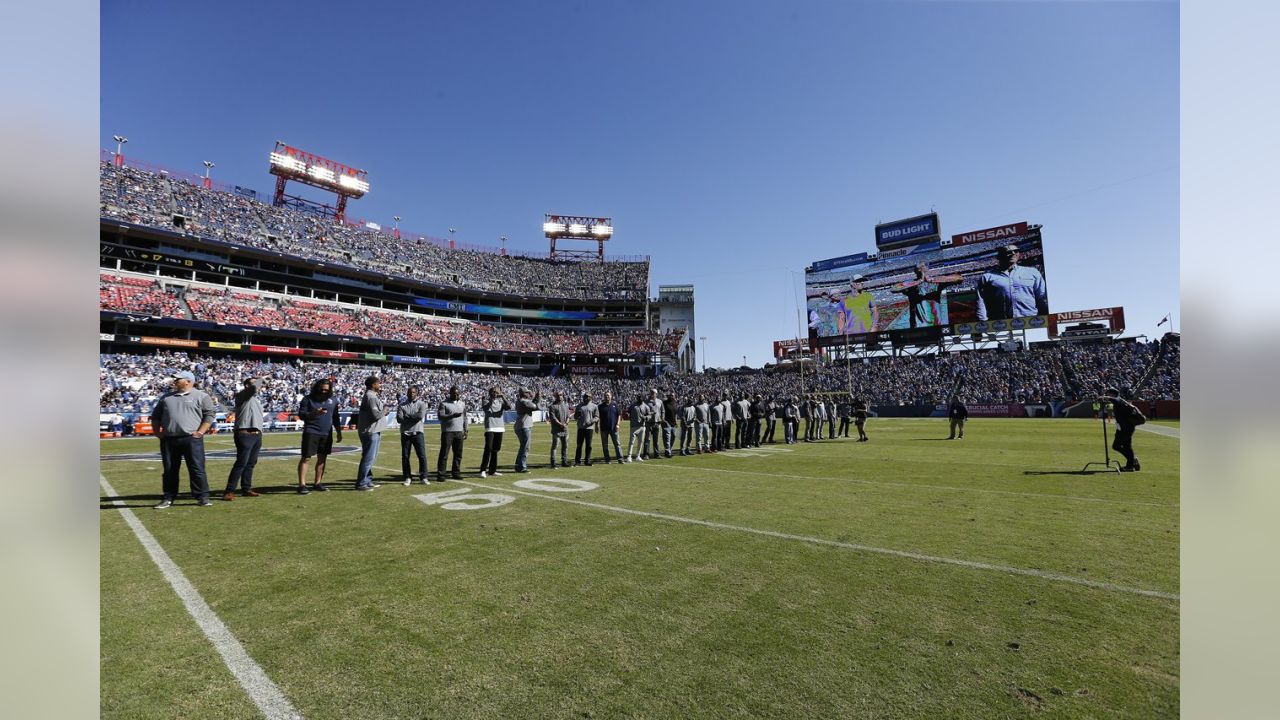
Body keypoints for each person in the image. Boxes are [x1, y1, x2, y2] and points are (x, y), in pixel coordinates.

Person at [151, 370, 218, 509]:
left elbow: (209, 415)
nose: (175, 381)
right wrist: (157, 432)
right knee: (169, 470)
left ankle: (202, 497)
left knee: (197, 469)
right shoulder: (166, 397)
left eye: (178, 379)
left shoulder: (202, 396)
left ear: (188, 381)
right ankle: (168, 497)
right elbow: (156, 416)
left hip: (191, 438)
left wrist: (201, 432)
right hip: (169, 439)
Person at [975, 244, 1049, 321]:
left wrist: (1046, 318)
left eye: (1016, 251)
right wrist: (983, 321)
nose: (1013, 253)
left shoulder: (1032, 272)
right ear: (999, 256)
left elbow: (1042, 297)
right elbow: (980, 300)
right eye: (1008, 251)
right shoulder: (987, 277)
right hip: (999, 323)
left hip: (1030, 321)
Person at [222, 376, 264, 501]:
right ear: (246, 386)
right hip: (245, 433)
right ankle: (229, 491)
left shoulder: (256, 400)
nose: (257, 386)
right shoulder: (241, 397)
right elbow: (254, 388)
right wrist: (262, 378)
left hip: (256, 434)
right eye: (252, 384)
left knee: (251, 463)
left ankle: (246, 488)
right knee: (241, 463)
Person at [297, 378, 342, 494]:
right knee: (306, 457)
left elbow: (335, 417)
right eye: (322, 389)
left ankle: (318, 483)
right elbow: (301, 415)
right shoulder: (307, 399)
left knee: (322, 458)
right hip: (311, 431)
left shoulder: (333, 400)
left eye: (326, 390)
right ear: (317, 388)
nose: (324, 392)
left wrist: (338, 431)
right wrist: (315, 413)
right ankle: (302, 485)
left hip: (327, 433)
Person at [891, 262, 964, 328]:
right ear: (916, 270)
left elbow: (959, 278)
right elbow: (893, 289)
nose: (923, 269)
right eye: (920, 267)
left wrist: (932, 280)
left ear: (928, 269)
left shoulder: (936, 282)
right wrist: (919, 281)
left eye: (924, 266)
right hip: (917, 326)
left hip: (935, 324)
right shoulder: (911, 285)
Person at [355, 375, 389, 491]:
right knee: (369, 458)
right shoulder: (371, 397)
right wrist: (384, 410)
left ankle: (368, 480)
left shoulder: (371, 396)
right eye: (378, 383)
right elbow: (375, 415)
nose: (380, 385)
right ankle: (361, 483)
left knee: (370, 457)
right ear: (373, 385)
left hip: (372, 430)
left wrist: (383, 412)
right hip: (370, 431)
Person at [1101, 388, 1145, 471]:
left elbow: (1115, 400)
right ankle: (1131, 464)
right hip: (1126, 427)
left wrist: (1105, 398)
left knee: (1116, 446)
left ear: (1112, 394)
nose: (1106, 395)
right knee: (1127, 447)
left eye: (1108, 394)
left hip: (1125, 428)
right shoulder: (1122, 401)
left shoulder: (1118, 400)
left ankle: (1132, 462)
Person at [398, 387, 429, 485]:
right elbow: (399, 419)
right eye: (410, 392)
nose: (411, 394)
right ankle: (407, 477)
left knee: (422, 456)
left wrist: (407, 416)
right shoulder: (401, 405)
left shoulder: (421, 404)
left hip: (418, 433)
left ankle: (423, 477)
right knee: (405, 456)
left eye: (413, 392)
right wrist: (412, 417)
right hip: (405, 433)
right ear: (407, 393)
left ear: (416, 393)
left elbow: (419, 417)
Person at [436, 385, 467, 481]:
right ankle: (441, 474)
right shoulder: (444, 403)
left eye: (458, 394)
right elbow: (440, 416)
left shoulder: (462, 404)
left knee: (458, 454)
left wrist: (466, 429)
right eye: (454, 393)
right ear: (450, 393)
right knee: (444, 454)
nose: (456, 395)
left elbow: (465, 417)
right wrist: (452, 415)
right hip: (448, 432)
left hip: (459, 432)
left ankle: (456, 472)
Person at [479, 387, 511, 478]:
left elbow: (509, 407)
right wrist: (491, 399)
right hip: (490, 427)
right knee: (488, 448)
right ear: (490, 393)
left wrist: (503, 397)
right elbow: (486, 408)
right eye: (494, 392)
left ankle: (492, 470)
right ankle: (483, 470)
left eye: (497, 392)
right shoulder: (485, 400)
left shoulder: (500, 401)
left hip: (500, 427)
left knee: (495, 450)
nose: (496, 393)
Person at [513, 387, 541, 473]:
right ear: (523, 393)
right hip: (524, 426)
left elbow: (533, 405)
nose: (529, 394)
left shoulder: (521, 401)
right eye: (527, 392)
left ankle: (518, 465)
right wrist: (537, 398)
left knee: (522, 447)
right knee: (526, 447)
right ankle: (522, 466)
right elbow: (537, 407)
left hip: (521, 425)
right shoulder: (524, 401)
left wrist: (535, 398)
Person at [573, 392, 599, 466]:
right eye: (585, 396)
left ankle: (587, 461)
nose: (586, 398)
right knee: (579, 445)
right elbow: (575, 417)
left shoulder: (594, 406)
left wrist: (591, 421)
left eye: (588, 396)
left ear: (591, 397)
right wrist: (577, 415)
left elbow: (597, 417)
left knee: (589, 445)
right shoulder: (579, 406)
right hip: (580, 428)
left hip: (589, 428)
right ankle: (577, 461)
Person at [598, 391, 623, 464]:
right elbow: (598, 417)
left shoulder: (615, 405)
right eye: (605, 396)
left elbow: (619, 415)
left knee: (617, 444)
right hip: (604, 429)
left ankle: (620, 458)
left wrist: (618, 424)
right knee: (605, 445)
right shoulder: (600, 406)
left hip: (614, 428)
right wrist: (597, 426)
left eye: (608, 396)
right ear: (604, 397)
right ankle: (607, 459)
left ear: (611, 396)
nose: (607, 397)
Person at [547, 391, 570, 468]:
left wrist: (566, 423)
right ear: (555, 396)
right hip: (556, 430)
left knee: (565, 446)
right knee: (555, 446)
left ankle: (564, 461)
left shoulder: (565, 405)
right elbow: (553, 418)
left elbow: (568, 416)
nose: (560, 396)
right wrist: (561, 424)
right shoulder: (552, 406)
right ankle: (553, 463)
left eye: (561, 395)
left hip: (565, 429)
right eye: (558, 395)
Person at [626, 393, 650, 462]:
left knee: (640, 442)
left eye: (640, 397)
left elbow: (649, 415)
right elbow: (628, 412)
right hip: (633, 426)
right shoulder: (633, 405)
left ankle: (638, 456)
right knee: (631, 442)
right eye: (638, 397)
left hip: (642, 426)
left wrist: (645, 418)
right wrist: (628, 415)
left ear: (643, 398)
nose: (638, 399)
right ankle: (629, 456)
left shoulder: (646, 406)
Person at [645, 389, 664, 460]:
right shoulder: (646, 402)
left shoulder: (660, 401)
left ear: (656, 394)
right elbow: (644, 411)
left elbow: (663, 411)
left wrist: (662, 418)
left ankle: (657, 454)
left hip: (657, 423)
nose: (652, 394)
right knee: (647, 439)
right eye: (651, 393)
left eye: (654, 393)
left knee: (656, 440)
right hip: (649, 423)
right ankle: (646, 454)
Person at [662, 391, 678, 458]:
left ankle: (669, 449)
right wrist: (663, 420)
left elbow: (675, 414)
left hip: (673, 423)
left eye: (673, 395)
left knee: (673, 436)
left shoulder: (674, 403)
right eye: (670, 395)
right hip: (666, 423)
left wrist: (676, 421)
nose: (671, 396)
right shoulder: (664, 403)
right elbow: (662, 411)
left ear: (674, 396)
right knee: (667, 438)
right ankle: (668, 452)